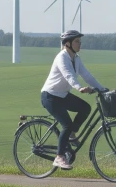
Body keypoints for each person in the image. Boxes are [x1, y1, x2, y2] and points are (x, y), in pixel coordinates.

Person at [40, 29, 105, 170]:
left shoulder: (76, 59)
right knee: (67, 125)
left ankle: (70, 135)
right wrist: (79, 88)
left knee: (85, 108)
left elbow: (87, 75)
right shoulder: (61, 58)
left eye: (80, 42)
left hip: (62, 95)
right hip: (50, 96)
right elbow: (69, 75)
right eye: (77, 41)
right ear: (67, 43)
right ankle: (59, 157)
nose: (79, 44)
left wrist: (101, 88)